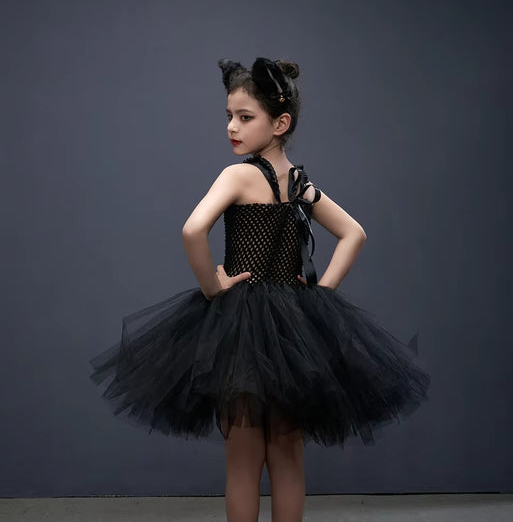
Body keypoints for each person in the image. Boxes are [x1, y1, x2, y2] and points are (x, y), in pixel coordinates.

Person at [89, 57, 431, 522]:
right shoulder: (301, 185)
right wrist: (322, 293)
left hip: (239, 327)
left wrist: (212, 287)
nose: (232, 126)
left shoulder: (238, 176)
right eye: (229, 115)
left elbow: (192, 230)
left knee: (243, 460)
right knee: (288, 456)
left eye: (245, 117)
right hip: (296, 329)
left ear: (280, 123)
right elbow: (354, 233)